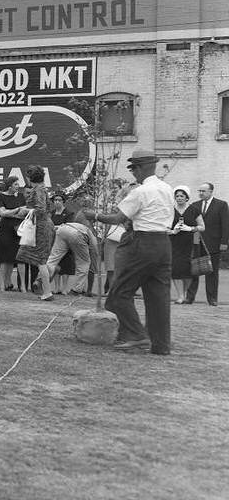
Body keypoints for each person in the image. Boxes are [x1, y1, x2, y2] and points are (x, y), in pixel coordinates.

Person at [83, 150, 174, 354]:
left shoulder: (140, 192)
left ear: (140, 168)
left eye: (134, 170)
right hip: (164, 243)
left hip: (143, 242)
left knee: (118, 294)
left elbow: (118, 218)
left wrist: (95, 215)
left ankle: (137, 336)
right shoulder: (167, 188)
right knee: (158, 296)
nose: (134, 174)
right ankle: (161, 346)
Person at [185, 182, 228, 305]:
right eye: (199, 191)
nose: (200, 193)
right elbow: (192, 224)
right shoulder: (194, 205)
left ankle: (212, 299)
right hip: (197, 243)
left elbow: (225, 225)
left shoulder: (221, 205)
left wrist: (224, 242)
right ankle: (190, 297)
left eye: (203, 191)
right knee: (194, 271)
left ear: (210, 191)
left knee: (212, 273)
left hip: (214, 244)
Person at [15, 166, 55, 297]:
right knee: (35, 258)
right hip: (41, 225)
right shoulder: (42, 189)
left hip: (40, 227)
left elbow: (41, 209)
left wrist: (26, 211)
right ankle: (47, 287)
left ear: (29, 177)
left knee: (40, 260)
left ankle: (48, 291)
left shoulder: (38, 190)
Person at [42, 210, 98, 301]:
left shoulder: (77, 223)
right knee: (84, 263)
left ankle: (42, 282)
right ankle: (77, 290)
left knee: (53, 259)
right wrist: (93, 264)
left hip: (62, 228)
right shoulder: (91, 234)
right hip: (77, 234)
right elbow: (94, 251)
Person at [168, 186, 203, 304]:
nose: (179, 198)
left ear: (187, 197)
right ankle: (180, 296)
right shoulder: (170, 210)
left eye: (181, 196)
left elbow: (202, 227)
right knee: (176, 269)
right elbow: (163, 228)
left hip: (190, 243)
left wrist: (191, 228)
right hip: (175, 243)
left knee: (188, 271)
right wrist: (173, 231)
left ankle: (184, 293)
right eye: (177, 196)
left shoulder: (194, 210)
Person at [0, 177, 26, 291]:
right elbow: (2, 213)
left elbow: (24, 213)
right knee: (4, 257)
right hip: (6, 229)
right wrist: (17, 210)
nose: (18, 186)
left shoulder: (21, 196)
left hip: (19, 229)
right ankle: (2, 284)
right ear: (10, 186)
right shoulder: (1, 196)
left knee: (20, 258)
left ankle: (23, 286)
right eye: (16, 184)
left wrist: (11, 212)